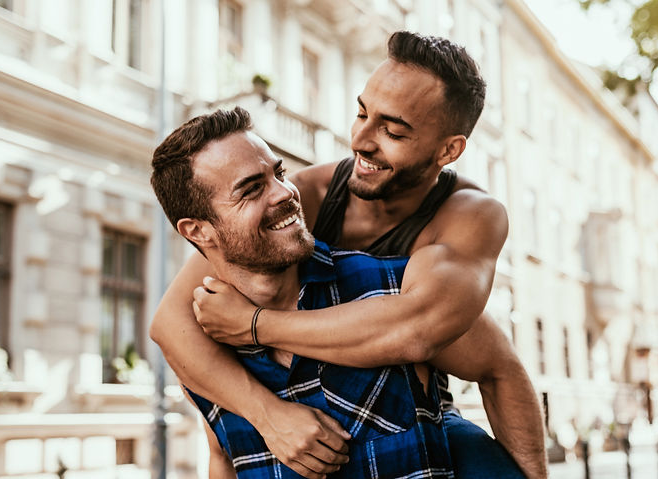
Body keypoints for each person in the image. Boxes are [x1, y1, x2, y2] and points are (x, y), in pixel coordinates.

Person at [152, 32, 547, 478]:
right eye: (361, 113)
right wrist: (267, 414)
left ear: (448, 150)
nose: (360, 139)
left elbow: (421, 331)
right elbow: (171, 324)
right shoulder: (308, 194)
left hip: (411, 410)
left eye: (393, 131)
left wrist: (255, 326)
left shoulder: (469, 217)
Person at [152, 106, 456, 478]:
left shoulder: (397, 283)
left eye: (278, 173)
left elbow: (500, 370)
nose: (284, 192)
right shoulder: (205, 357)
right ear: (198, 232)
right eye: (251, 189)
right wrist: (266, 413)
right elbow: (222, 458)